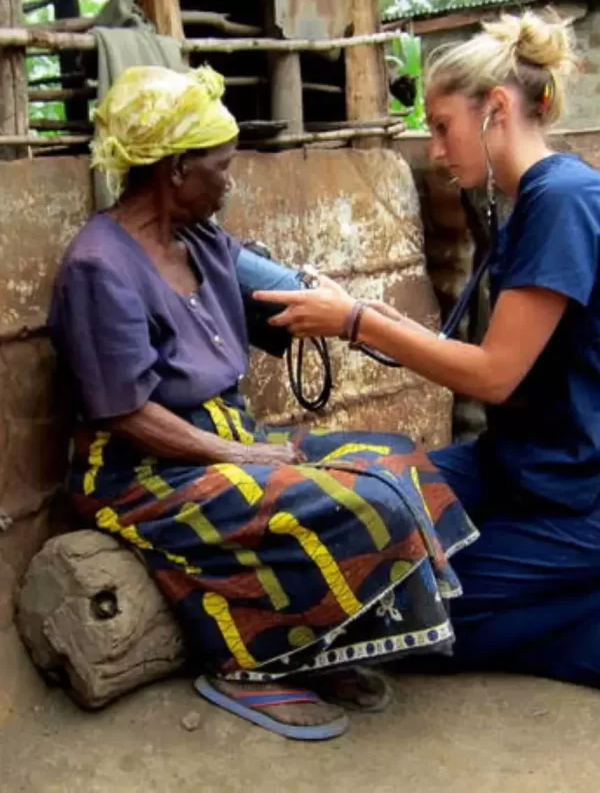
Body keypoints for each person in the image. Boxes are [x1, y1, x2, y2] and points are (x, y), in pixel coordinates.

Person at [47, 64, 476, 740]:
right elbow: (126, 413)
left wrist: (342, 307)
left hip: (223, 439)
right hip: (139, 468)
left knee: (397, 462)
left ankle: (316, 641)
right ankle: (246, 662)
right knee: (354, 501)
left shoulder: (201, 241)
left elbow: (282, 293)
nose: (230, 180)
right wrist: (243, 452)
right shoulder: (101, 267)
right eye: (221, 166)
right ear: (176, 168)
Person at [255, 9, 600, 689]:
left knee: (412, 618)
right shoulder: (532, 197)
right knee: (368, 509)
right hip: (521, 464)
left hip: (576, 493)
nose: (435, 151)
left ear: (496, 108)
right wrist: (373, 315)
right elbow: (505, 350)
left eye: (443, 127)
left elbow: (496, 375)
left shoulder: (563, 200)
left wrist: (356, 322)